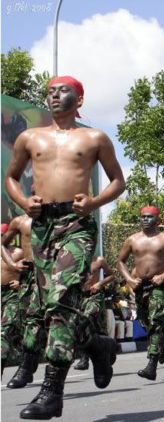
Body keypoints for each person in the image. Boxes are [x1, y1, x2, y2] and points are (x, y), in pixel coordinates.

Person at [5, 75, 125, 419]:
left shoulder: (94, 137)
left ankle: (51, 392)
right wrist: (25, 203)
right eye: (51, 92)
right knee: (52, 313)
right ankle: (98, 345)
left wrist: (94, 202)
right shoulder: (30, 138)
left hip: (77, 225)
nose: (55, 96)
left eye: (63, 91)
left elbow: (118, 180)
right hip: (43, 227)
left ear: (80, 99)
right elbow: (12, 178)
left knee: (59, 303)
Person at [117, 206, 164, 381]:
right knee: (146, 322)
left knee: (156, 322)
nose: (145, 220)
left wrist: (163, 276)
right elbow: (120, 261)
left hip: (158, 286)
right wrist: (129, 279)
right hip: (140, 287)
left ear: (158, 220)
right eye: (143, 217)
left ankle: (151, 364)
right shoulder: (132, 239)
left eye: (149, 217)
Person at [73, 256, 116, 371]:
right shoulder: (73, 260)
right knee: (89, 328)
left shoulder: (99, 260)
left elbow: (112, 275)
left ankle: (88, 357)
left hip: (95, 297)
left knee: (84, 321)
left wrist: (100, 284)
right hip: (79, 298)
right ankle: (85, 358)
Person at [1, 222, 26, 374]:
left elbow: (34, 271)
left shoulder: (18, 253)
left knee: (3, 333)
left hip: (12, 295)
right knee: (12, 335)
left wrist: (21, 282)